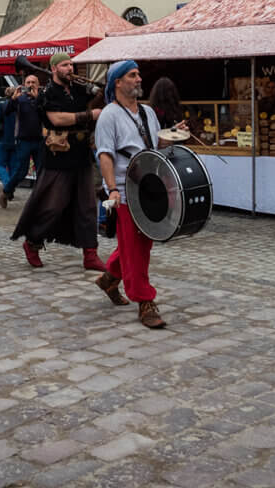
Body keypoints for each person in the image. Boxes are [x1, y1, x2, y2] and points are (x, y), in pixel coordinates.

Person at [94, 60, 177, 328]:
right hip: (125, 189)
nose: (139, 79)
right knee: (136, 246)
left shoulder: (148, 112)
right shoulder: (109, 115)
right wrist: (112, 190)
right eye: (132, 75)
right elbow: (104, 154)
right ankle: (145, 302)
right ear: (117, 82)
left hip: (150, 186)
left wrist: (172, 136)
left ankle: (109, 279)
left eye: (139, 74)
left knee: (140, 243)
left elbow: (152, 146)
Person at [11, 54, 104, 270]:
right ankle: (32, 243)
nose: (70, 68)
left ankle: (90, 254)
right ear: (54, 68)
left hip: (81, 154)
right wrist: (90, 115)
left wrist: (101, 90)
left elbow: (95, 100)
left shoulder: (79, 88)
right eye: (65, 65)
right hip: (58, 154)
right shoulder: (47, 93)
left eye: (71, 64)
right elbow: (57, 119)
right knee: (53, 205)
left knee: (88, 206)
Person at [0, 74, 42, 208]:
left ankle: (40, 200)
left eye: (33, 82)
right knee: (21, 171)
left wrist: (38, 99)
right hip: (23, 140)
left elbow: (48, 112)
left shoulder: (42, 99)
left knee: (41, 171)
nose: (30, 85)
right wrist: (13, 99)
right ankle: (6, 190)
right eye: (28, 82)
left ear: (38, 84)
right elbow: (6, 111)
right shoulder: (19, 99)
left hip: (39, 140)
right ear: (24, 84)